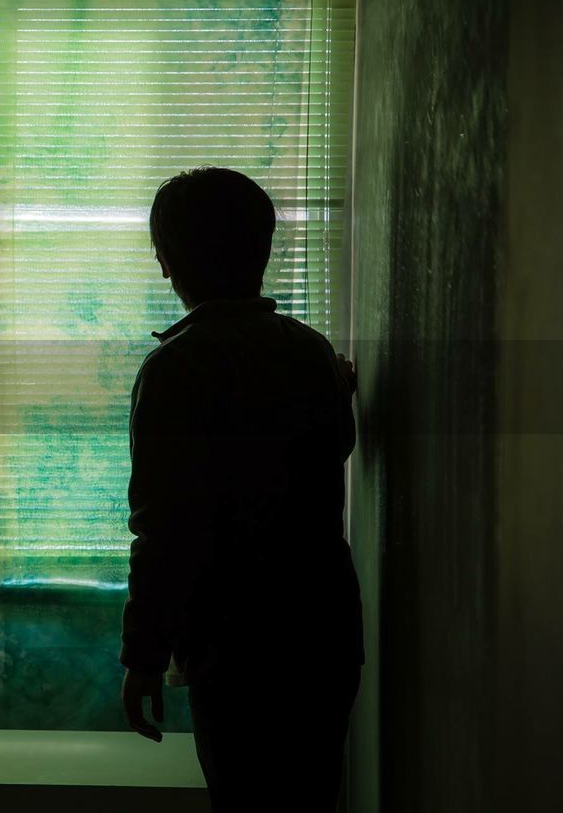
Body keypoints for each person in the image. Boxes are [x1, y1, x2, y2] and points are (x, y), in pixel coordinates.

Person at [118, 167, 364, 812]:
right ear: (263, 251)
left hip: (236, 646)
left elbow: (165, 528)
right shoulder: (310, 353)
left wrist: (144, 657)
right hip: (323, 631)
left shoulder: (176, 367)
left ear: (167, 261)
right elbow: (331, 445)